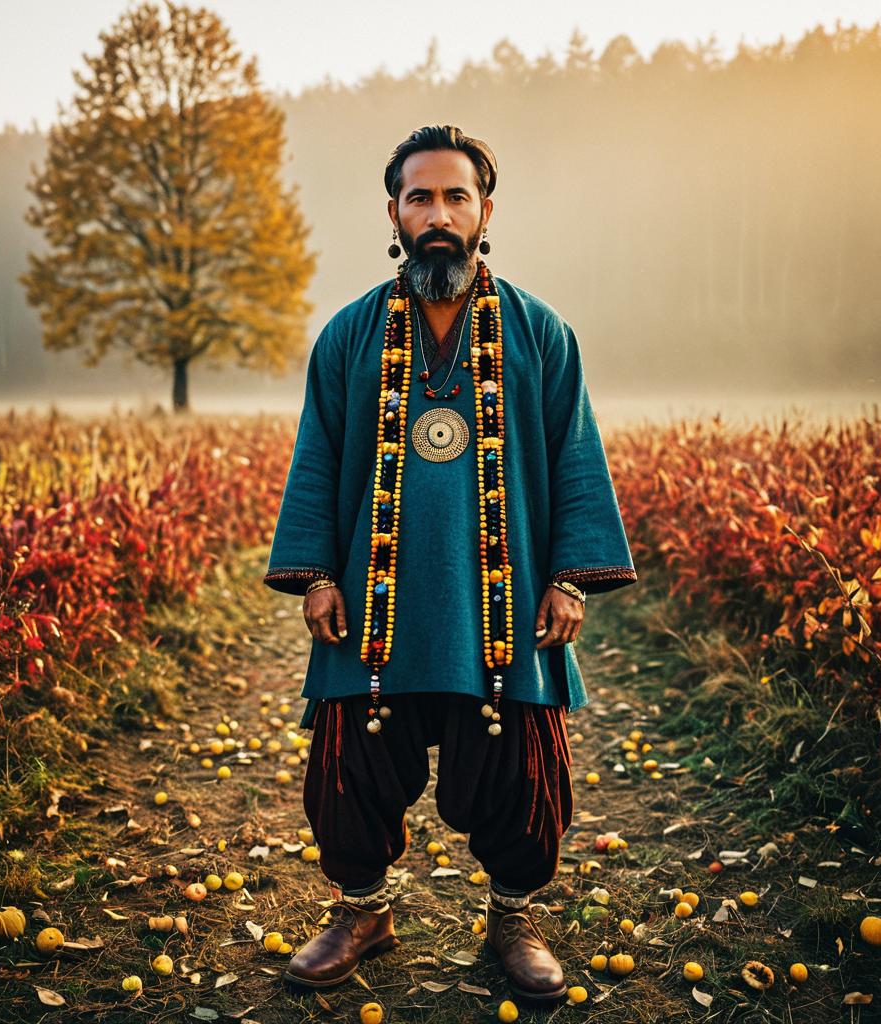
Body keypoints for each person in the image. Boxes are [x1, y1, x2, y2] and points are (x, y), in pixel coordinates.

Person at [262, 124, 637, 1004]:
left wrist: (571, 576)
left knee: (518, 766)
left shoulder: (542, 332)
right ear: (393, 212)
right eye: (420, 197)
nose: (439, 214)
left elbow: (574, 452)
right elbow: (317, 455)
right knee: (352, 765)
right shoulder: (350, 334)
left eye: (456, 196)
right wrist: (317, 573)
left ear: (485, 211)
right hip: (375, 607)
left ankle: (513, 917)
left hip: (501, 611)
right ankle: (362, 909)